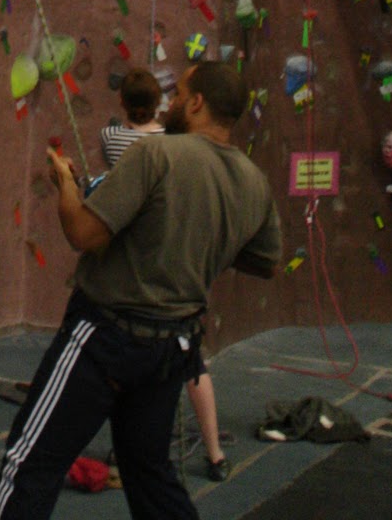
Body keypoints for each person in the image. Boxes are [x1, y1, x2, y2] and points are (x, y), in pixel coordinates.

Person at [0, 61, 281, 519]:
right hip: (171, 349)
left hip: (105, 339)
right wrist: (200, 241)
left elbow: (84, 234)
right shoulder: (253, 181)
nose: (170, 103)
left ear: (197, 102)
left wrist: (66, 185)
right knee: (148, 472)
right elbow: (265, 261)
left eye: (179, 93)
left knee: (28, 463)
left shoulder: (156, 154)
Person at [99, 66, 231, 483]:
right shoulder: (174, 143)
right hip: (175, 259)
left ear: (123, 102)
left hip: (133, 265)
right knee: (191, 362)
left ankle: (125, 447)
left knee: (126, 357)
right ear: (160, 104)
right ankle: (214, 453)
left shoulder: (111, 139)